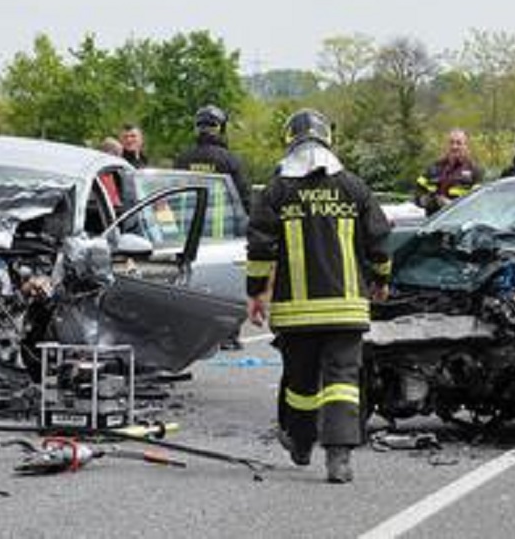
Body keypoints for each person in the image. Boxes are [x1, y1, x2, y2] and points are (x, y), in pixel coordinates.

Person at [245, 108, 392, 484]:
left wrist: (256, 294)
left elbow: (260, 249)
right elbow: (379, 240)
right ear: (328, 138)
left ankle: (301, 443)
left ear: (289, 140)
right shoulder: (354, 187)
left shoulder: (277, 190)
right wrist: (381, 279)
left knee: (301, 383)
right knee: (343, 380)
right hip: (346, 308)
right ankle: (339, 459)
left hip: (297, 312)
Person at [174, 105, 251, 213]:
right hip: (223, 222)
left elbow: (172, 197)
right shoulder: (230, 160)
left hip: (187, 221)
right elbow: (245, 200)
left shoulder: (182, 159)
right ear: (222, 129)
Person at [414, 129, 485, 216]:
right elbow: (418, 194)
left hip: (460, 221)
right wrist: (430, 201)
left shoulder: (475, 170)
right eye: (451, 142)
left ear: (466, 146)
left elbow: (477, 203)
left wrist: (451, 205)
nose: (454, 147)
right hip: (434, 221)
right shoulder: (434, 167)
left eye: (459, 143)